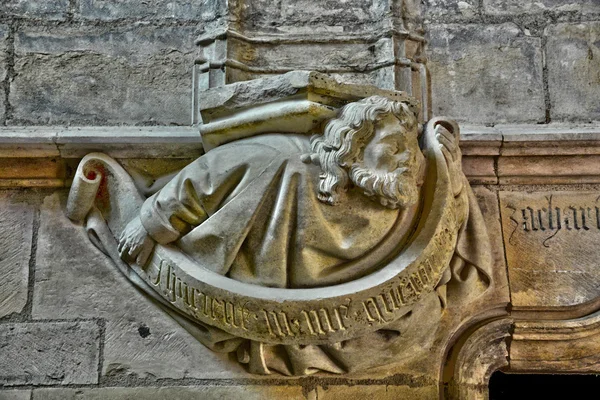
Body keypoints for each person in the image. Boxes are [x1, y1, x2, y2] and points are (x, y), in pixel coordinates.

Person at [118, 95, 426, 289]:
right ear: (354, 147)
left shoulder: (392, 200)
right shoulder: (279, 158)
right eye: (395, 147)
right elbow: (211, 172)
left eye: (412, 150)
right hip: (226, 292)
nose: (407, 160)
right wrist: (151, 222)